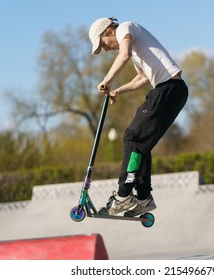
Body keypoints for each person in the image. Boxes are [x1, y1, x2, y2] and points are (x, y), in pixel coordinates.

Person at [88, 17, 188, 216]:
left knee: (132, 137)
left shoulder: (125, 28)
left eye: (103, 45)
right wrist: (117, 91)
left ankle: (124, 195)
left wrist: (106, 80)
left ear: (108, 32)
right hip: (172, 90)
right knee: (141, 144)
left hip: (167, 89)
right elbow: (143, 78)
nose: (106, 50)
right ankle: (143, 198)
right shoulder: (135, 49)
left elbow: (123, 54)